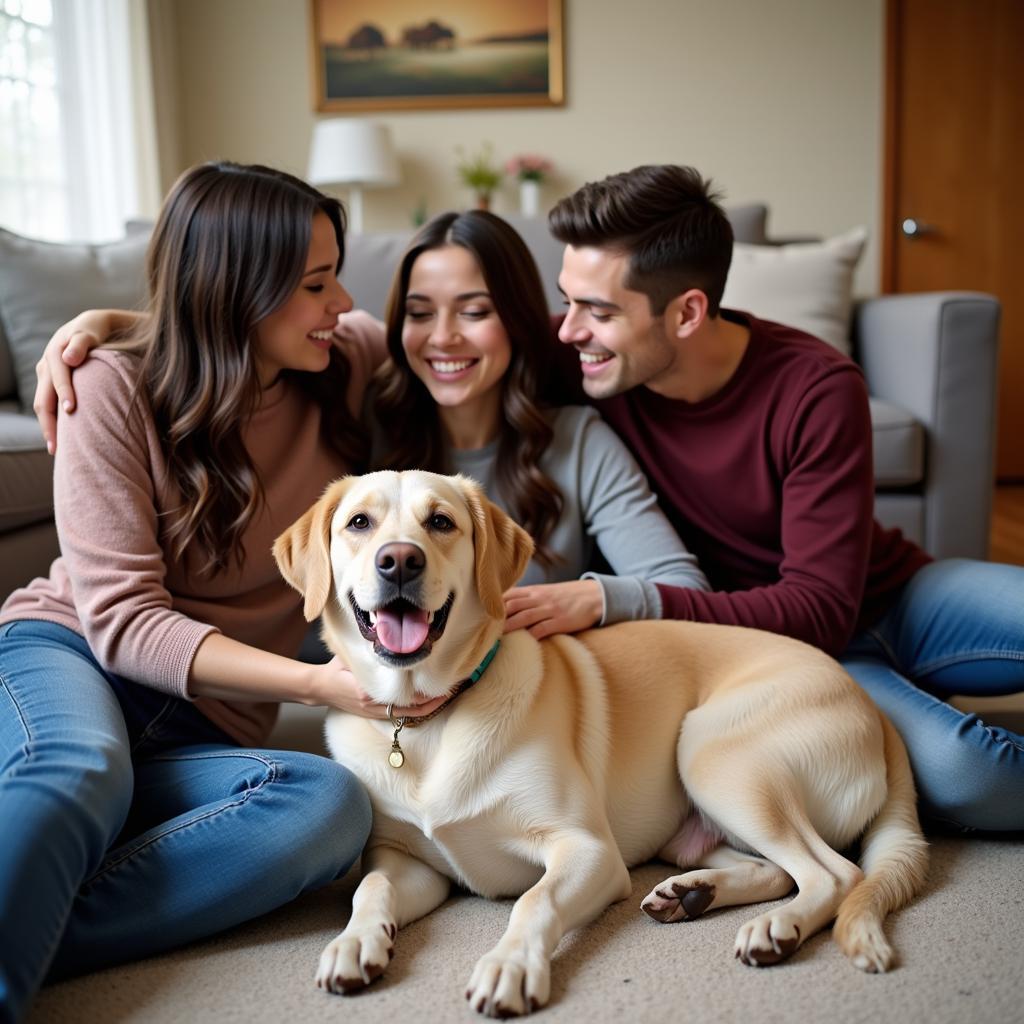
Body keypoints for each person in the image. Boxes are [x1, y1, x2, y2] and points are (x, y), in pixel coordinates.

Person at [0, 161, 443, 1023]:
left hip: (208, 722)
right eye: (315, 284)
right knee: (82, 770)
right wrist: (322, 683)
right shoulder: (110, 386)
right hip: (73, 658)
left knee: (326, 807)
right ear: (236, 291)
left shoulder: (339, 363)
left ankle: (28, 912)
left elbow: (478, 335)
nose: (344, 302)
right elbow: (124, 624)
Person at [543, 164, 1024, 833]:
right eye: (567, 300)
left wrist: (617, 597)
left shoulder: (815, 385)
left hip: (887, 598)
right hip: (792, 662)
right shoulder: (579, 356)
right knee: (970, 774)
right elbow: (439, 347)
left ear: (687, 312)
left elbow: (823, 607)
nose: (568, 331)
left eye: (598, 311)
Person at [368, 209, 709, 636]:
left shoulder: (578, 441)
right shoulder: (365, 434)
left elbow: (684, 589)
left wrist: (594, 598)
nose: (441, 337)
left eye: (473, 312)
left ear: (517, 319)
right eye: (419, 314)